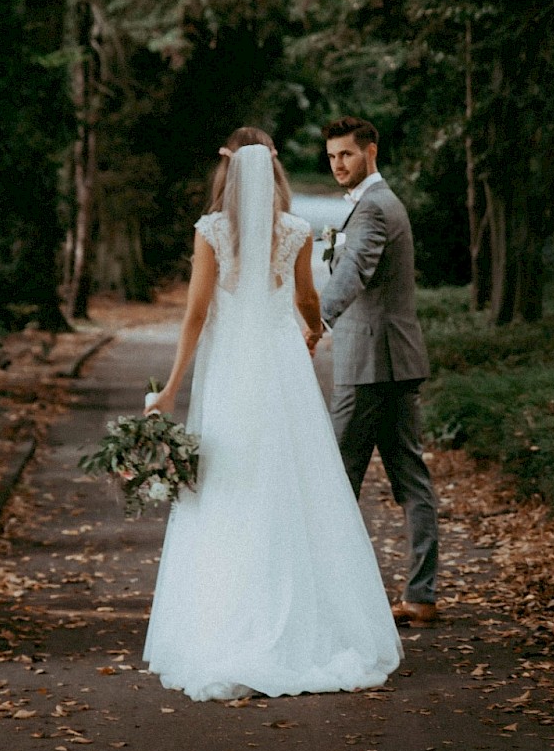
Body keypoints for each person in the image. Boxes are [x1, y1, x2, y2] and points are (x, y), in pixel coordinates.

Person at [142, 126, 402, 702]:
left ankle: (225, 622)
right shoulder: (295, 231)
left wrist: (172, 390)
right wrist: (310, 329)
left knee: (230, 487)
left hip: (232, 373)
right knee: (292, 484)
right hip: (281, 370)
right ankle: (306, 626)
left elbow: (194, 315)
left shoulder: (212, 232)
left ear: (227, 173)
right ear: (276, 173)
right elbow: (308, 299)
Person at [305, 116, 439, 626]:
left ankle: (336, 597)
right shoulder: (377, 204)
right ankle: (421, 595)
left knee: (336, 478)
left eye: (347, 155)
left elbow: (353, 271)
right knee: (410, 479)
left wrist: (317, 321)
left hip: (371, 365)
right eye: (332, 156)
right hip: (393, 360)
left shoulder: (374, 209)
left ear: (371, 152)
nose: (338, 164)